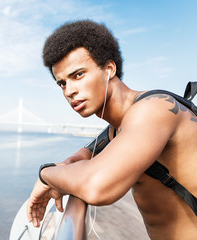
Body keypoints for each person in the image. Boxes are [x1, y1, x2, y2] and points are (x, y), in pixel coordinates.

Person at [26, 19, 197, 240]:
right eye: (62, 83)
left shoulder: (153, 110)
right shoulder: (117, 128)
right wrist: (63, 169)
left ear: (109, 69)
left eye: (78, 75)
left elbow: (97, 186)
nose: (69, 91)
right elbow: (83, 155)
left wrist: (45, 175)